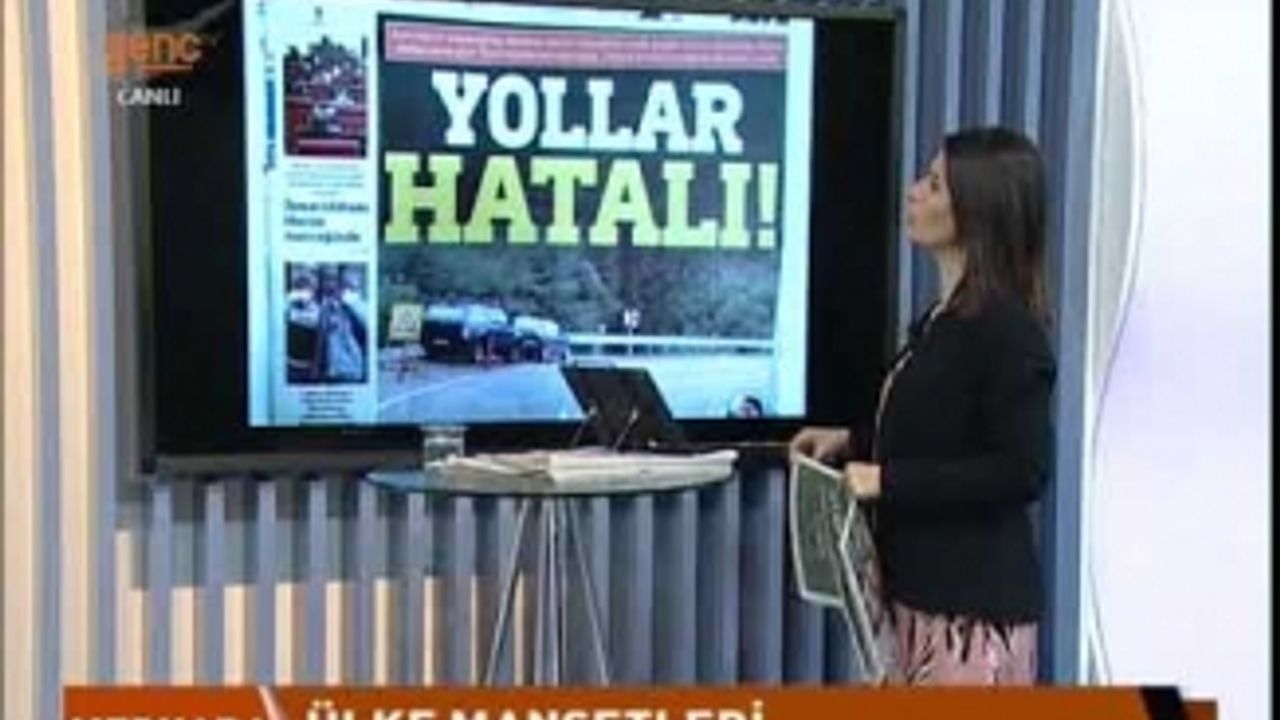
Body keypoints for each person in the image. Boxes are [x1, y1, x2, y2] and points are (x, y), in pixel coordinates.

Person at [791, 127, 1056, 686]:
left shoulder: (1007, 329)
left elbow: (1020, 470)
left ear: (977, 209)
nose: (913, 192)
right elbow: (938, 432)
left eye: (934, 185)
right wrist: (852, 442)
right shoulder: (942, 321)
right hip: (916, 599)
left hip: (969, 617)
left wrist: (886, 480)